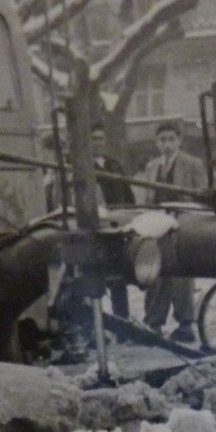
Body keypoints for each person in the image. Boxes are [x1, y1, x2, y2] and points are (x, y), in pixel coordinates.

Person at [140, 119, 208, 337]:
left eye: (171, 139)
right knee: (155, 273)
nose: (166, 144)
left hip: (183, 226)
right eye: (162, 140)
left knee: (181, 276)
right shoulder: (152, 167)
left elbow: (203, 195)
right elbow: (147, 198)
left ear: (179, 141)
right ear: (156, 142)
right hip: (157, 225)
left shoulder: (193, 164)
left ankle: (186, 324)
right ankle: (153, 323)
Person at [90, 125, 136, 320]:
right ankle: (97, 325)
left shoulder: (114, 165)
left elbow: (128, 194)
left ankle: (122, 320)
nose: (98, 143)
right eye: (93, 139)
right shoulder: (79, 165)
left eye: (100, 138)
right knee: (94, 277)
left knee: (118, 278)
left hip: (117, 226)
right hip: (94, 227)